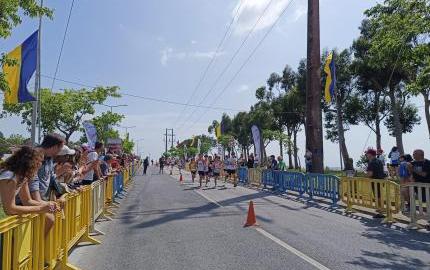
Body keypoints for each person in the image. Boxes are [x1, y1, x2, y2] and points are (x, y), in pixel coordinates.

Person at [0, 146, 57, 221]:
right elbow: (10, 209)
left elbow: (27, 201)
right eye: (39, 161)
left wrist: (48, 205)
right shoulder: (9, 176)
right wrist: (40, 208)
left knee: (49, 218)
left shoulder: (22, 177)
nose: (40, 165)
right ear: (29, 162)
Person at [366, 149, 386, 218]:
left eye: (367, 154)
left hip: (375, 181)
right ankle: (380, 210)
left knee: (378, 197)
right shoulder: (379, 161)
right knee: (380, 196)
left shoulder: (371, 162)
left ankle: (380, 213)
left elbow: (370, 174)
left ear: (370, 154)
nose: (366, 155)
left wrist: (366, 174)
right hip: (381, 180)